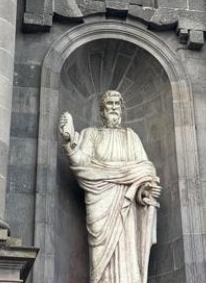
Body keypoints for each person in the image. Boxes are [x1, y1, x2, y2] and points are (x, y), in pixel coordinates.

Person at [59, 90, 161, 283]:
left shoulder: (132, 137)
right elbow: (82, 165)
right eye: (109, 104)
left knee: (128, 249)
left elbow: (145, 171)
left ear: (122, 108)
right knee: (101, 257)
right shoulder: (91, 134)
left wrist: (147, 190)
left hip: (127, 203)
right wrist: (69, 142)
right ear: (102, 110)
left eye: (117, 104)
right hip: (100, 202)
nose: (114, 107)